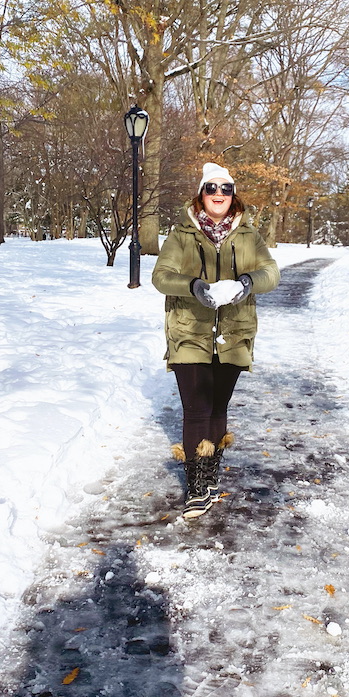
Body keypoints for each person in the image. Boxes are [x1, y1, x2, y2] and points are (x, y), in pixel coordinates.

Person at [152, 162, 280, 519]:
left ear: (233, 194)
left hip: (234, 333)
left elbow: (272, 273)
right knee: (196, 409)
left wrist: (247, 283)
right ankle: (196, 485)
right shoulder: (182, 236)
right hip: (189, 330)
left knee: (218, 407)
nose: (219, 195)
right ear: (201, 193)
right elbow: (161, 276)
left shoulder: (249, 236)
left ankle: (210, 472)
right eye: (212, 188)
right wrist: (193, 286)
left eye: (226, 189)